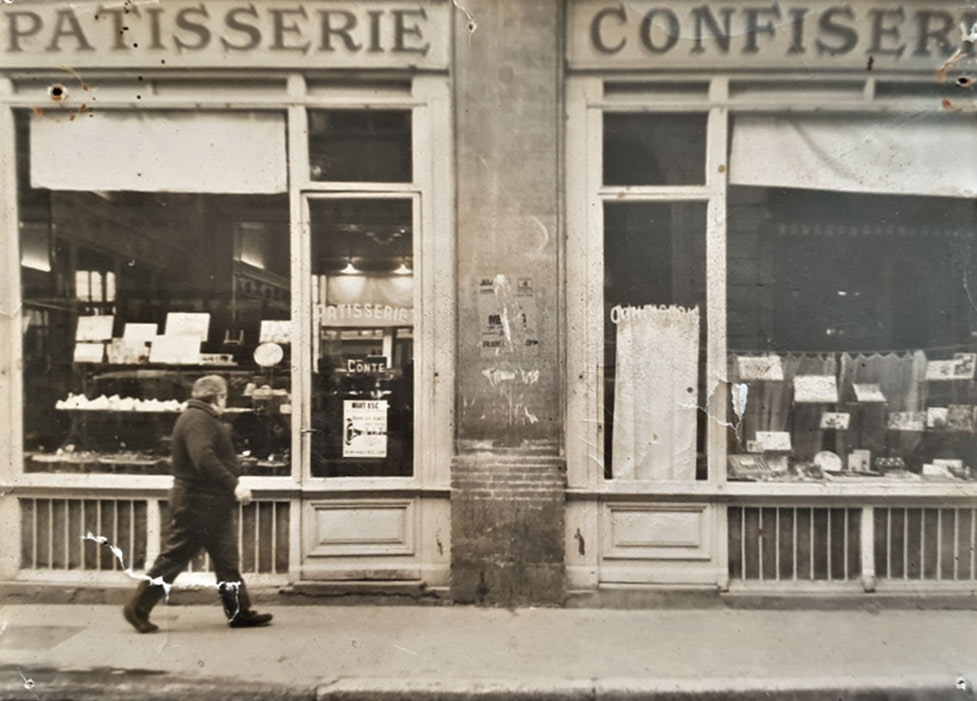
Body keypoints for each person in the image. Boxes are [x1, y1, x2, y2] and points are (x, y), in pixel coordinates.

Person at [123, 375, 273, 632]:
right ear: (218, 397)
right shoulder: (197, 419)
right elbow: (203, 458)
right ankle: (137, 608)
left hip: (209, 502)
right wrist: (233, 483)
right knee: (175, 557)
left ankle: (239, 612)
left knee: (226, 559)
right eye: (225, 397)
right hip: (197, 502)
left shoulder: (199, 417)